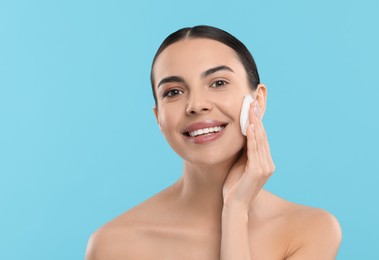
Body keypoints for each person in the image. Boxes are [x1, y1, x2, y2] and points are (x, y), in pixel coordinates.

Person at [85, 25, 342, 259]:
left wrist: (235, 211)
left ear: (258, 101)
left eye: (218, 83)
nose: (196, 105)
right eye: (173, 92)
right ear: (159, 118)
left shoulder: (310, 230)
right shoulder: (114, 245)